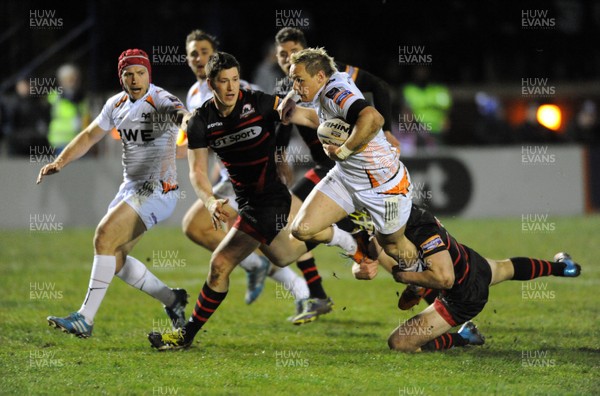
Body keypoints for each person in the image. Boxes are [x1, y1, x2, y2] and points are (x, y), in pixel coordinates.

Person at [147, 52, 367, 350]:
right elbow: (197, 173)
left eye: (235, 79)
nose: (231, 87)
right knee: (282, 255)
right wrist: (210, 201)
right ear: (211, 84)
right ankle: (348, 238)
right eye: (223, 82)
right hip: (246, 202)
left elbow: (304, 116)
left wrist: (345, 128)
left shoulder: (259, 103)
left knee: (220, 264)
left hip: (271, 198)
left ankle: (185, 336)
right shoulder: (201, 121)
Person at [38, 49, 190, 338]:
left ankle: (85, 318)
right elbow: (88, 136)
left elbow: (179, 114)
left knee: (103, 236)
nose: (135, 79)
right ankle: (173, 300)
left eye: (140, 73)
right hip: (130, 189)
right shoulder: (116, 104)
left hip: (159, 189)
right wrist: (60, 161)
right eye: (128, 73)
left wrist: (187, 121)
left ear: (149, 74)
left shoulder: (160, 98)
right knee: (115, 260)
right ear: (120, 77)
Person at [270, 27, 400, 324]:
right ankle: (320, 290)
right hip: (330, 169)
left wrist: (386, 131)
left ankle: (428, 285)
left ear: (308, 55)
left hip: (350, 168)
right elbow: (287, 120)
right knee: (295, 222)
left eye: (292, 53)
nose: (287, 59)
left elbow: (377, 91)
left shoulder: (334, 79)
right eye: (282, 56)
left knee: (384, 246)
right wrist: (280, 156)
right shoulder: (298, 85)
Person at [181, 29, 313, 318]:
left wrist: (280, 155)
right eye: (193, 53)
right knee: (279, 243)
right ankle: (291, 280)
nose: (199, 57)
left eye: (204, 51)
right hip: (231, 180)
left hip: (257, 179)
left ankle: (306, 282)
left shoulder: (242, 89)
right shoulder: (194, 98)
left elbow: (281, 114)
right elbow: (205, 142)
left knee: (293, 231)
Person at [351, 204, 582, 352]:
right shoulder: (405, 215)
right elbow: (375, 251)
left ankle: (464, 337)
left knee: (400, 343)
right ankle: (563, 268)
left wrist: (404, 278)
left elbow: (445, 281)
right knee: (507, 268)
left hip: (462, 295)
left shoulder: (421, 231)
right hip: (470, 262)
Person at [280, 47, 420, 276]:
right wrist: (290, 99)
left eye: (299, 80)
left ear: (320, 77)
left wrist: (343, 152)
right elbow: (315, 113)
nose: (295, 86)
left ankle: (419, 276)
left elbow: (374, 118)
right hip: (346, 178)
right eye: (293, 80)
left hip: (382, 184)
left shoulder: (335, 92)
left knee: (393, 245)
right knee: (301, 230)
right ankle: (353, 243)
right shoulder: (323, 85)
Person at [47, 64, 90, 154]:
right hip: (59, 142)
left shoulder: (82, 98)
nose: (73, 82)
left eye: (75, 79)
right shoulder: (53, 97)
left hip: (78, 142)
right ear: (62, 80)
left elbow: (86, 118)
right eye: (69, 79)